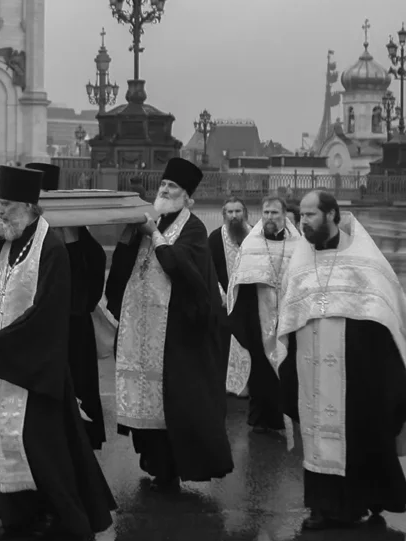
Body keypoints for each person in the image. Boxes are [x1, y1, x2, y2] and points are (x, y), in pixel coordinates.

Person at [272, 190, 406, 530]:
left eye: (310, 215)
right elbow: (290, 316)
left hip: (357, 374)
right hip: (311, 371)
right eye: (300, 216)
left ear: (333, 215)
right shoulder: (300, 259)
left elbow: (386, 318)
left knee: (360, 438)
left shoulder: (365, 259)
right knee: (316, 439)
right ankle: (322, 507)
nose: (302, 222)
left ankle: (362, 502)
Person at [0, 165, 116, 541]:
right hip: (3, 368)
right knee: (4, 442)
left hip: (32, 369)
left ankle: (72, 525)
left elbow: (48, 314)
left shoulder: (51, 248)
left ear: (30, 206)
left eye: (7, 205)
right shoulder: (8, 241)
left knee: (43, 454)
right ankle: (18, 520)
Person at [105, 157, 233, 491]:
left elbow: (184, 270)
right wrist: (128, 237)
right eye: (163, 184)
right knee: (146, 400)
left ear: (187, 197)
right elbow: (121, 270)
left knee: (174, 403)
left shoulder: (192, 228)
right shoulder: (149, 220)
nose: (164, 189)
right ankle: (154, 461)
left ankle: (172, 469)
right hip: (141, 327)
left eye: (172, 186)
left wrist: (156, 237)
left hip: (176, 331)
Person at [26, 161, 107, 450]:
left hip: (72, 324)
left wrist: (71, 237)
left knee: (77, 381)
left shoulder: (78, 235)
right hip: (36, 324)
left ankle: (79, 439)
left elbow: (93, 269)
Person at [227, 195, 301, 432]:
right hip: (258, 316)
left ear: (284, 215)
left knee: (288, 366)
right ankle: (261, 420)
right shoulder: (252, 243)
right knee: (261, 370)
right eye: (266, 213)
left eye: (275, 213)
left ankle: (288, 415)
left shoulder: (298, 244)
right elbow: (240, 281)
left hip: (289, 316)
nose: (270, 217)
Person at [206, 196, 252, 395]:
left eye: (238, 211)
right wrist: (222, 295)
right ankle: (226, 387)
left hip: (250, 303)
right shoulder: (215, 238)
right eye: (230, 212)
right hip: (225, 304)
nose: (234, 216)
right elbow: (209, 270)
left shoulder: (254, 236)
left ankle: (250, 387)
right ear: (224, 215)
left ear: (245, 213)